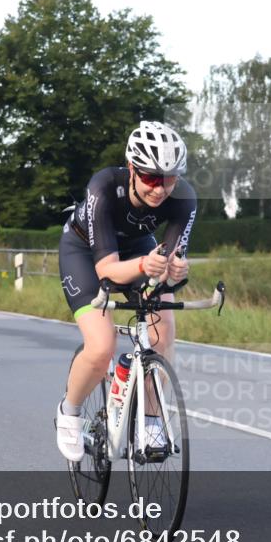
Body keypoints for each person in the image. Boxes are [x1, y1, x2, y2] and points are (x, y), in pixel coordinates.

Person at [55, 121, 196, 461]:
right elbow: (106, 270)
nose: (160, 189)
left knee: (162, 332)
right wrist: (146, 265)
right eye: (151, 178)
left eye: (169, 179)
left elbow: (170, 259)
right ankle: (69, 411)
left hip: (138, 247)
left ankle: (151, 417)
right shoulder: (104, 186)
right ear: (132, 168)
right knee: (101, 346)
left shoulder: (184, 198)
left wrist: (176, 269)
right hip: (84, 252)